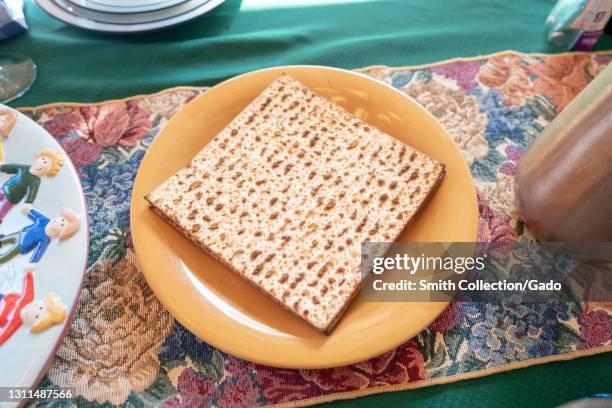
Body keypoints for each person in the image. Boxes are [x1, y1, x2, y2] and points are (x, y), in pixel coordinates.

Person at [0, 207, 80, 270]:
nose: (58, 223)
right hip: (20, 233)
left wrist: (32, 263)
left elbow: (39, 251)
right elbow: (36, 215)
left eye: (62, 225)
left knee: (4, 257)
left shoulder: (45, 239)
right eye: (61, 219)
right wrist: (29, 211)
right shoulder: (44, 221)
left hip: (21, 246)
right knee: (3, 240)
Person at [0, 270, 67, 345]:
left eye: (37, 316)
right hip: (5, 299)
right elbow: (28, 283)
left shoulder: (15, 321)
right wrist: (29, 274)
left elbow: (5, 335)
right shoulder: (28, 299)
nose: (34, 308)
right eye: (40, 307)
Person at [0, 149, 65, 221]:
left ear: (50, 170)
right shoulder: (24, 168)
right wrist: (2, 167)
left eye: (46, 162)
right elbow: (12, 167)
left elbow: (32, 192)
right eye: (42, 159)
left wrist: (28, 203)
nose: (42, 163)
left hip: (12, 199)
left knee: (2, 210)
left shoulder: (35, 181)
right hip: (4, 189)